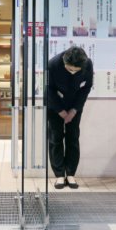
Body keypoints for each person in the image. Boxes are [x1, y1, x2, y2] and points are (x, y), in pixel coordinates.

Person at [47, 46, 94, 189]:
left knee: (73, 137)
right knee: (56, 137)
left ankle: (71, 173)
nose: (72, 72)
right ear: (64, 61)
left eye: (76, 70)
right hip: (55, 105)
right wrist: (60, 110)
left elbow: (86, 87)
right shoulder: (53, 64)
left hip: (75, 105)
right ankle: (60, 174)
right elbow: (48, 89)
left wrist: (74, 110)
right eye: (69, 68)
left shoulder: (87, 64)